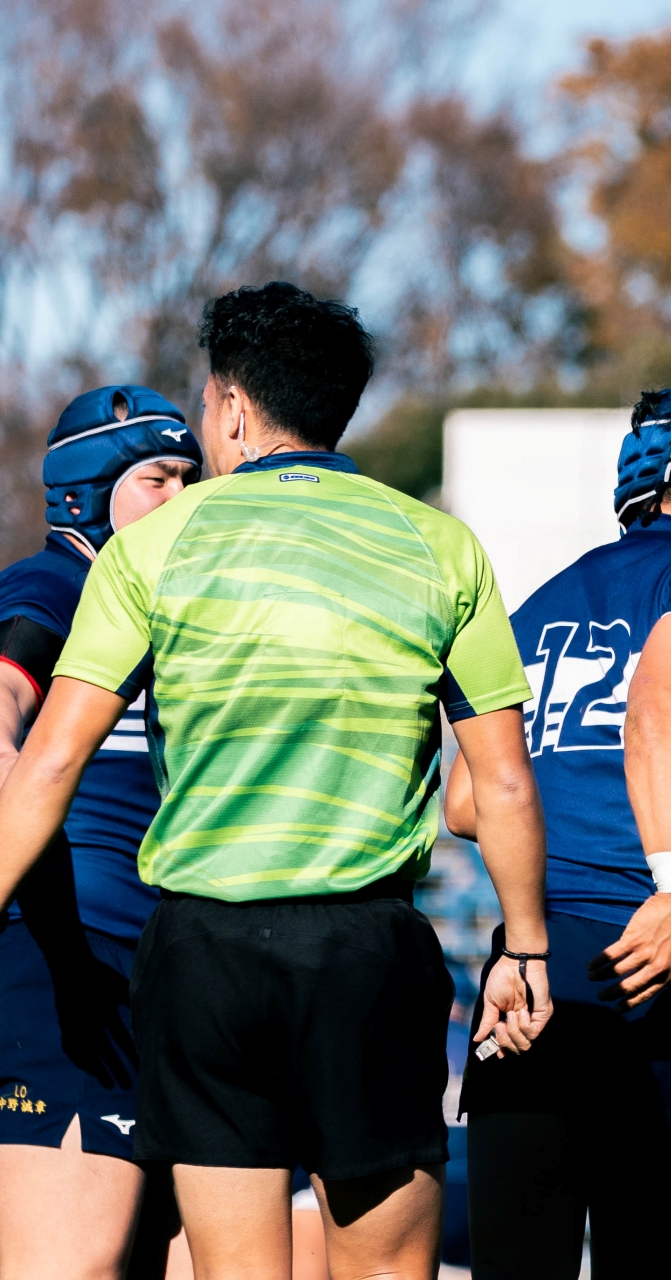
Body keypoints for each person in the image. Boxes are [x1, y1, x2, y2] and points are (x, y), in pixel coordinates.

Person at [0, 281, 551, 1280]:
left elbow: (49, 764)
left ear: (232, 407)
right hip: (364, 944)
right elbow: (504, 784)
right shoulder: (438, 544)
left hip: (202, 951)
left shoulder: (155, 546)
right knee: (384, 1268)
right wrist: (525, 945)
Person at [446, 379, 671, 1279]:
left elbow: (467, 802)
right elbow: (658, 705)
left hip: (530, 971)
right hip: (660, 967)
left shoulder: (542, 602)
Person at [0, 386, 200, 1280]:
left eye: (190, 479)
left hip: (165, 967)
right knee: (70, 1264)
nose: (181, 498)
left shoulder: (172, 611)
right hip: (66, 959)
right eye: (157, 478)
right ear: (86, 493)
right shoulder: (55, 584)